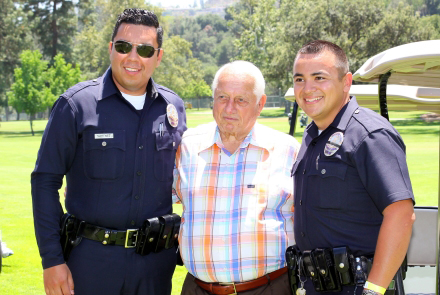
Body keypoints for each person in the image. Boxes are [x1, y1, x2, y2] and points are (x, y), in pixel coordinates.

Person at [31, 8, 186, 295]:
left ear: (158, 56)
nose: (133, 57)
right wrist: (51, 260)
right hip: (90, 262)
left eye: (145, 50)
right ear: (111, 49)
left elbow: (187, 181)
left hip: (154, 266)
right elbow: (44, 181)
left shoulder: (173, 107)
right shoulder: (76, 105)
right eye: (124, 46)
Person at [291, 40, 415, 295]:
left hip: (359, 287)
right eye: (299, 79)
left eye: (319, 77)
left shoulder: (369, 134)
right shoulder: (313, 136)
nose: (307, 88)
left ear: (346, 82)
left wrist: (374, 289)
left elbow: (401, 214)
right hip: (317, 285)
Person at [173, 60, 300, 295]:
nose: (229, 108)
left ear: (260, 104)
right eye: (222, 97)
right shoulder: (188, 147)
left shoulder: (288, 150)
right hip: (197, 288)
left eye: (241, 100)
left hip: (269, 288)